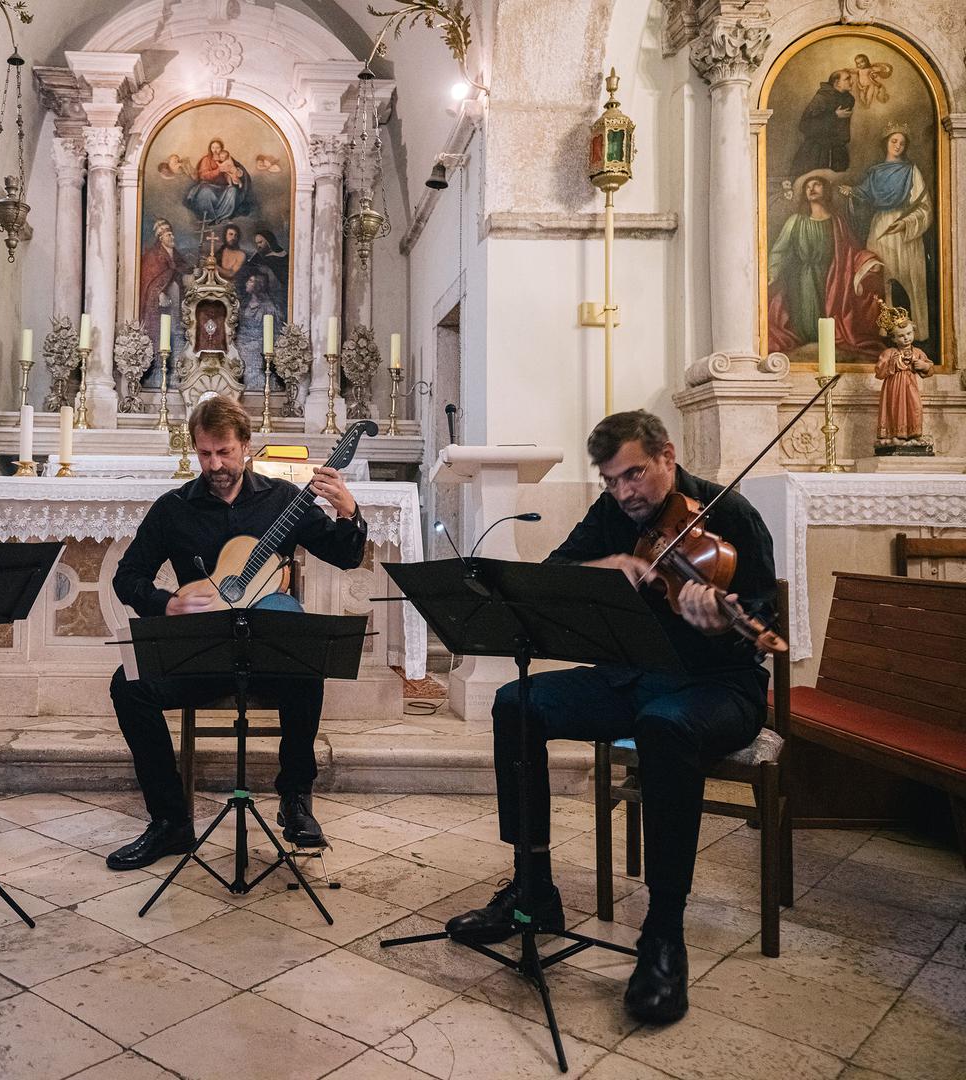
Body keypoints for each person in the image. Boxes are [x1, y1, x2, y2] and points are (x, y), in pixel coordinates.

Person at [444, 411, 777, 1025]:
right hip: (635, 676)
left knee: (665, 726)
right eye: (611, 480)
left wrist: (720, 623)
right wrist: (612, 565)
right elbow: (549, 577)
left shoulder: (732, 517)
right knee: (516, 703)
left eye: (635, 474)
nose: (625, 492)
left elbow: (764, 627)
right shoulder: (613, 516)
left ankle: (663, 933)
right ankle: (532, 888)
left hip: (718, 685)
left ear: (667, 456)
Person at [106, 395, 367, 869]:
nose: (215, 464)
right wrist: (168, 602)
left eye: (224, 452)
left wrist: (349, 511)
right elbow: (127, 576)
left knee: (305, 659)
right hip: (202, 654)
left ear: (246, 446)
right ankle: (170, 822)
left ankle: (295, 801)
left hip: (263, 652)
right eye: (205, 453)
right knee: (127, 686)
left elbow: (345, 555)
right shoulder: (174, 508)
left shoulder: (284, 500)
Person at [766, 170, 885, 357]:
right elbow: (779, 251)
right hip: (803, 280)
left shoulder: (837, 222)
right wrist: (771, 272)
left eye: (816, 184)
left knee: (829, 320)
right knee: (807, 326)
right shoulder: (796, 221)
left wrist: (868, 262)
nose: (811, 189)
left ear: (826, 190)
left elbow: (851, 251)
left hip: (833, 278)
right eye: (807, 186)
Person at [844, 127, 933, 341]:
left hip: (905, 231)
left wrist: (905, 223)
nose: (898, 146)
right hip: (880, 227)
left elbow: (925, 207)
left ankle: (918, 332)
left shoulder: (911, 170)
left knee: (911, 278)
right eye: (894, 141)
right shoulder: (875, 172)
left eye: (902, 143)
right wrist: (851, 193)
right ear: (886, 142)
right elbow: (862, 194)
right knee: (882, 280)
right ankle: (885, 329)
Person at [873, 305, 933, 447]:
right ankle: (896, 435)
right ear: (893, 338)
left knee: (914, 407)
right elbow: (879, 372)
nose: (906, 338)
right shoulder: (889, 353)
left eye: (909, 333)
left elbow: (929, 368)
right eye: (901, 335)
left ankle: (914, 434)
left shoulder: (917, 352)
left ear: (913, 332)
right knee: (895, 409)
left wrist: (924, 366)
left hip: (911, 387)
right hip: (893, 388)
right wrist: (891, 364)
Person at [788, 69, 855, 177]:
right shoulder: (822, 98)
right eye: (847, 79)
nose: (852, 82)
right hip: (817, 151)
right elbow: (804, 125)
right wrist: (834, 115)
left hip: (838, 151)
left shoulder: (848, 99)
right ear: (837, 83)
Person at [184, 137, 252, 224]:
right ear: (210, 148)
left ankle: (222, 217)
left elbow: (238, 170)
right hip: (209, 187)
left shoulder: (227, 158)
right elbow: (203, 175)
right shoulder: (206, 160)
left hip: (224, 188)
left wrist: (238, 172)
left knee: (233, 191)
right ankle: (208, 218)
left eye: (218, 148)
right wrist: (218, 171)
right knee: (205, 191)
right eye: (213, 147)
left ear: (222, 148)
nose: (215, 150)